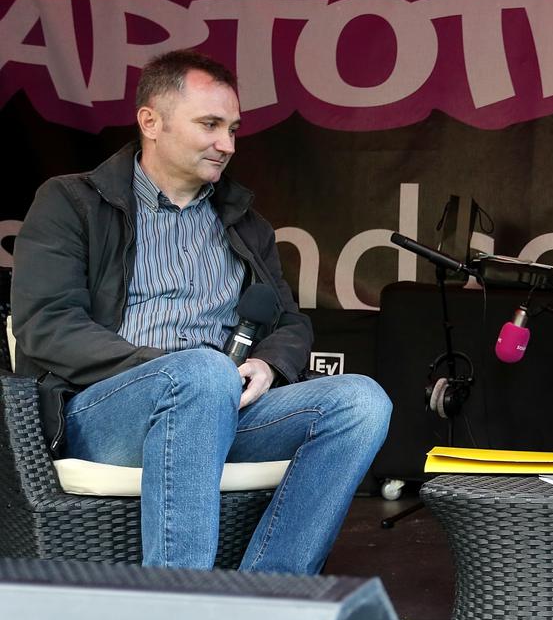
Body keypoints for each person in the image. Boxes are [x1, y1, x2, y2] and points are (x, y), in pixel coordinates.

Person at [11, 49, 392, 574]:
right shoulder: (72, 202)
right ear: (151, 121)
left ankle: (267, 596)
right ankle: (179, 602)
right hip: (103, 410)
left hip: (221, 404)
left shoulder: (244, 222)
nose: (227, 144)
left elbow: (290, 322)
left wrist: (269, 365)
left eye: (233, 128)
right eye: (210, 124)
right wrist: (171, 369)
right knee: (202, 370)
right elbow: (46, 324)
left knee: (361, 401)